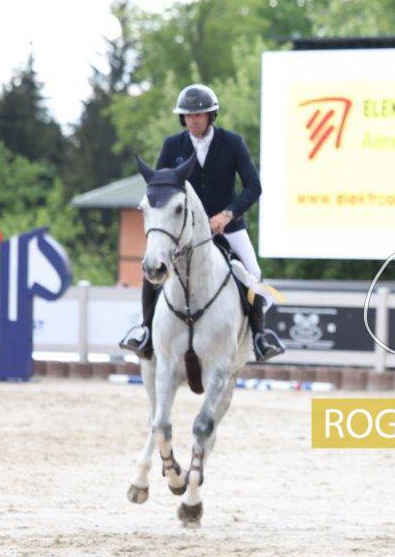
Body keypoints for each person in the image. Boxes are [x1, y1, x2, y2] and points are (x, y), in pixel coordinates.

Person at [120, 84, 285, 362]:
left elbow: (253, 186)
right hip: (184, 229)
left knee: (253, 272)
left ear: (211, 116)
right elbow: (160, 185)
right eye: (187, 115)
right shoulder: (173, 146)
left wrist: (228, 214)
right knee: (154, 268)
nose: (193, 120)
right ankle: (144, 330)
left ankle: (260, 336)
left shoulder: (232, 143)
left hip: (228, 226)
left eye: (198, 115)